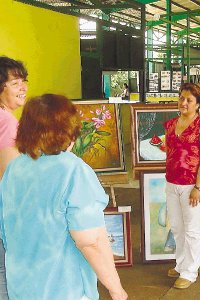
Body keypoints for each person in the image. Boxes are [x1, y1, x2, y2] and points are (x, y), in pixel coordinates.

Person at [0, 94, 127, 300]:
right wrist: (115, 287)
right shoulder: (74, 171)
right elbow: (90, 241)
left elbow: (6, 231)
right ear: (70, 130)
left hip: (22, 286)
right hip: (64, 288)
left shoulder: (15, 168)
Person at [163, 83, 200, 289]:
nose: (183, 103)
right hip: (172, 182)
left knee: (192, 230)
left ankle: (190, 271)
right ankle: (180, 263)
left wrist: (199, 187)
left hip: (193, 184)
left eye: (189, 100)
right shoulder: (170, 125)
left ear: (198, 104)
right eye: (181, 98)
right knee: (177, 227)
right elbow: (172, 150)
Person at [0, 56, 28, 299]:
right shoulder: (7, 122)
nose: (24, 87)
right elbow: (9, 178)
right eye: (16, 82)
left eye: (24, 81)